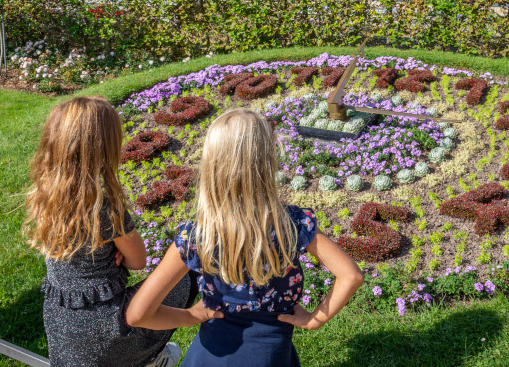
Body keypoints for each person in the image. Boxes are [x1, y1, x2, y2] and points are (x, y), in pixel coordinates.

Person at [126, 109, 364, 366]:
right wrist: (314, 319)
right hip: (271, 355)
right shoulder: (292, 224)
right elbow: (351, 276)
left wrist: (191, 316)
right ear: (268, 161)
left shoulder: (197, 237)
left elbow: (138, 315)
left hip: (210, 356)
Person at [24, 96, 196, 367]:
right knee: (186, 279)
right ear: (104, 148)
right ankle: (148, 357)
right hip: (108, 335)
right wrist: (121, 253)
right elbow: (137, 261)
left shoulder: (44, 196)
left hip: (63, 331)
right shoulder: (103, 208)